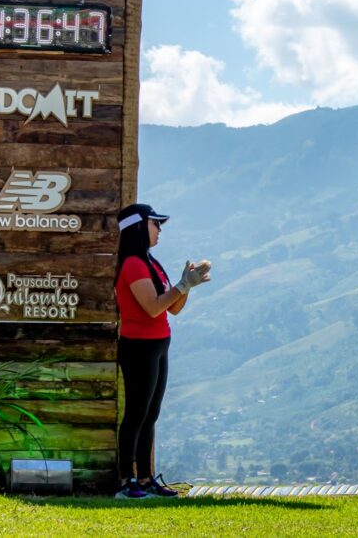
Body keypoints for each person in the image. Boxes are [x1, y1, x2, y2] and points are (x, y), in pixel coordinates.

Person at [113, 203, 211, 499]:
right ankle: (126, 480)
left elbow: (174, 308)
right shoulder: (133, 264)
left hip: (158, 343)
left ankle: (145, 479)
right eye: (155, 224)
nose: (159, 230)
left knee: (150, 414)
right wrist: (182, 284)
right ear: (139, 227)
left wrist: (187, 286)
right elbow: (153, 306)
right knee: (135, 414)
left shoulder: (151, 263)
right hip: (138, 346)